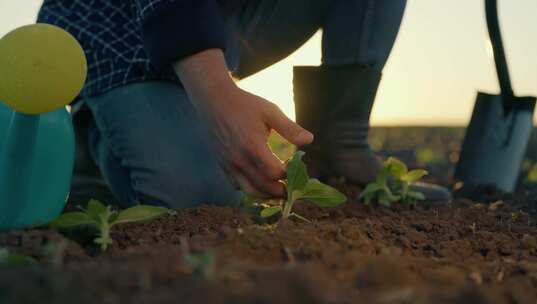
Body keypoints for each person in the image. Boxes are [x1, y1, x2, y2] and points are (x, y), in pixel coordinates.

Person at [37, 0, 450, 208]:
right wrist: (215, 94)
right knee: (200, 199)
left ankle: (341, 146)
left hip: (226, 16)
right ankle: (93, 129)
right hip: (119, 28)